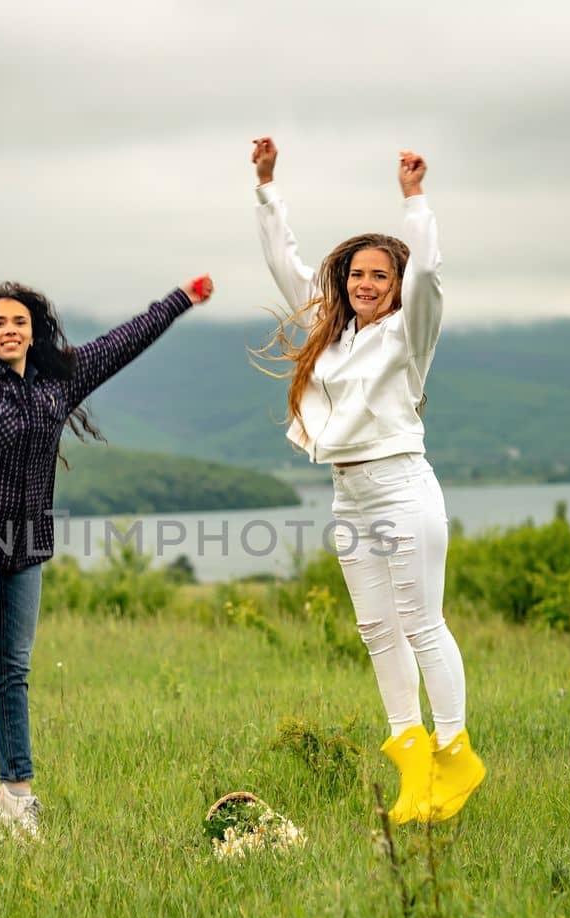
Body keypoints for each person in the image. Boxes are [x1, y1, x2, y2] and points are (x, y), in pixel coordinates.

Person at [0, 248, 213, 838]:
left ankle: (17, 794)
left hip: (25, 546)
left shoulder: (58, 381)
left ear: (34, 331)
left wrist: (180, 299)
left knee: (15, 668)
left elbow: (122, 342)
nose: (9, 329)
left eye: (19, 321)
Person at [248, 136, 484, 824]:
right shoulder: (333, 331)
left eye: (379, 275)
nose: (366, 283)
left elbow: (430, 277)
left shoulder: (410, 333)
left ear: (395, 281)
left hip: (402, 486)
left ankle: (454, 750)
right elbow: (284, 267)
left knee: (420, 622)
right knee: (377, 629)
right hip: (349, 492)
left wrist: (414, 200)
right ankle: (413, 761)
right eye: (357, 274)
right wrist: (267, 188)